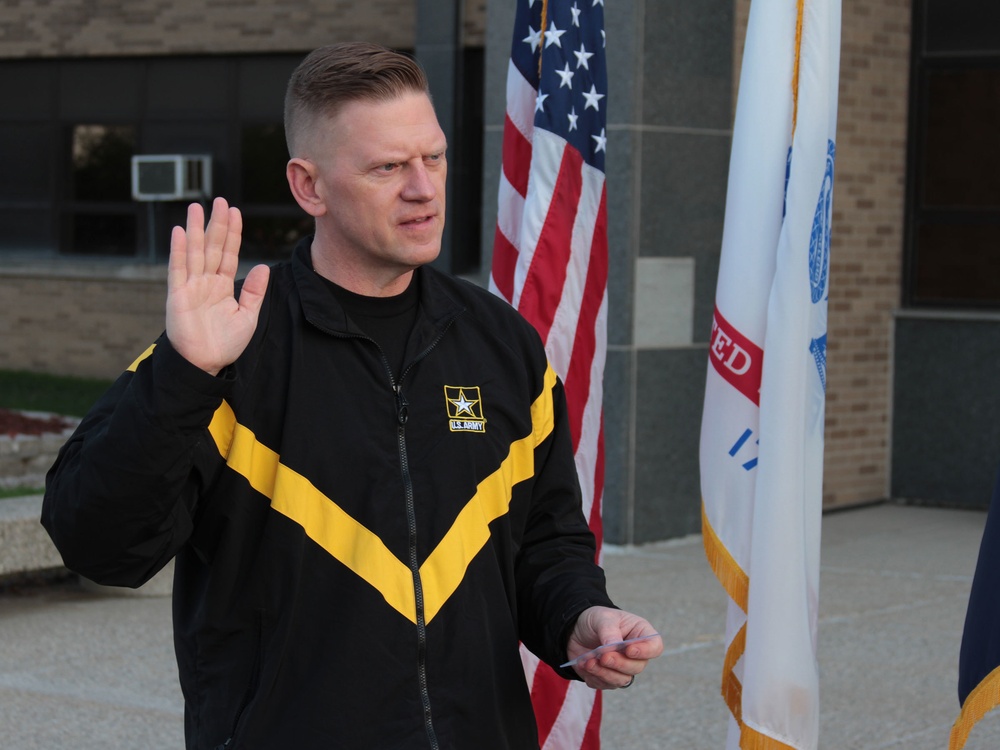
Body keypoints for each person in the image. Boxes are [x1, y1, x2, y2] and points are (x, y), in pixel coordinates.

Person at [42, 42, 662, 749]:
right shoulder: (227, 344)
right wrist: (185, 373)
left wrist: (580, 615)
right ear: (311, 187)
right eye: (388, 167)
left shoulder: (503, 346)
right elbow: (99, 544)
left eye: (432, 157)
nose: (425, 189)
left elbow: (546, 542)